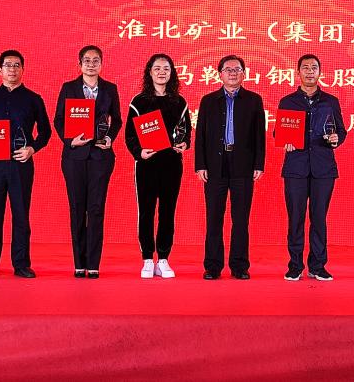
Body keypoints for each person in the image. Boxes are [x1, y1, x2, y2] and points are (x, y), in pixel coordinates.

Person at [0, 49, 52, 279]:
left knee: (21, 215)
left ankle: (21, 263)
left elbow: (46, 131)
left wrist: (32, 148)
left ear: (23, 69)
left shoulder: (33, 99)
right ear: (0, 70)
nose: (12, 69)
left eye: (16, 65)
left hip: (20, 164)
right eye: (7, 65)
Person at [53, 45, 122, 279]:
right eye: (87, 60)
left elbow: (117, 120)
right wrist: (70, 141)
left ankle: (93, 264)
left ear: (101, 64)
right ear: (79, 64)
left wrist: (109, 138)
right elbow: (59, 119)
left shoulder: (110, 88)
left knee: (96, 209)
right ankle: (78, 263)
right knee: (76, 209)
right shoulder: (69, 88)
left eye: (95, 60)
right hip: (74, 157)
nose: (91, 64)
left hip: (100, 157)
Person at [194, 55, 265, 280]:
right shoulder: (208, 101)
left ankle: (239, 266)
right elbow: (200, 135)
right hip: (215, 165)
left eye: (237, 69)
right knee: (214, 217)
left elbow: (259, 136)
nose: (233, 73)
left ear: (244, 74)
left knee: (241, 218)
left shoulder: (254, 100)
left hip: (243, 164)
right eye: (228, 69)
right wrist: (200, 165)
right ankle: (213, 266)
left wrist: (259, 164)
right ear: (220, 74)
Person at [276, 54, 346, 281]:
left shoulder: (330, 101)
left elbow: (341, 131)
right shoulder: (288, 101)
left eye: (314, 67)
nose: (309, 71)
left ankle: (317, 265)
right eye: (305, 67)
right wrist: (284, 140)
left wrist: (336, 139)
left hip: (323, 168)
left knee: (319, 218)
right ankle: (295, 265)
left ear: (319, 72)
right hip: (295, 167)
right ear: (298, 72)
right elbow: (278, 132)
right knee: (295, 218)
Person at [124, 53, 191, 279]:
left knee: (167, 211)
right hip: (147, 164)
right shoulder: (139, 102)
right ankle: (146, 258)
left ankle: (163, 258)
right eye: (157, 68)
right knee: (146, 211)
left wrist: (184, 144)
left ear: (172, 73)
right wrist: (139, 152)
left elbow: (186, 132)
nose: (162, 72)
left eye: (166, 68)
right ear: (149, 72)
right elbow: (130, 135)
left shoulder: (179, 102)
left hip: (172, 164)